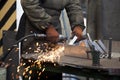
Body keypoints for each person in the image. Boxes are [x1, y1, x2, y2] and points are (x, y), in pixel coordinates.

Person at [16, 0, 85, 80]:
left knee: (54, 70)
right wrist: (47, 26)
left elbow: (73, 4)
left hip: (54, 31)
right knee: (35, 70)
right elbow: (28, 2)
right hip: (33, 31)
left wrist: (78, 25)